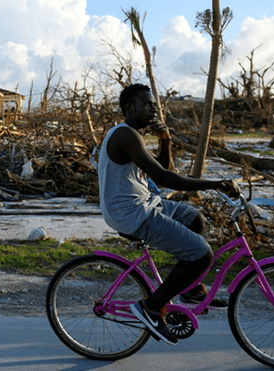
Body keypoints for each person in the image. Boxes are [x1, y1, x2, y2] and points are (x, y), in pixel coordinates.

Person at [98, 83, 240, 345]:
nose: (154, 109)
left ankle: (190, 289)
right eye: (148, 104)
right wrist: (213, 184)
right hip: (131, 213)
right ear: (130, 108)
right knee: (201, 255)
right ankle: (152, 307)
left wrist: (166, 141)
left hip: (145, 203)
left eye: (155, 104)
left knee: (193, 217)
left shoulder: (133, 135)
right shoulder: (125, 136)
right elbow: (166, 177)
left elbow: (162, 169)